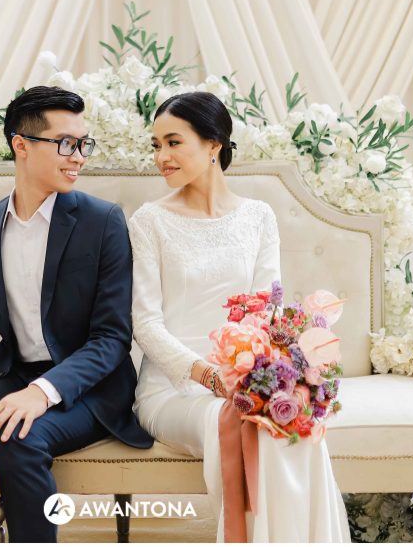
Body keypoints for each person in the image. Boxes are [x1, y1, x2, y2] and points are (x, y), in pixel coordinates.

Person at [0, 86, 153, 543]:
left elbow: (112, 338)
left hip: (89, 388)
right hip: (13, 372)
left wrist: (42, 392)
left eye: (83, 144)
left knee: (16, 435)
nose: (78, 157)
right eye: (66, 144)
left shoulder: (103, 222)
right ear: (22, 145)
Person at [128, 91, 351, 542]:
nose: (161, 157)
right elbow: (145, 325)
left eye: (173, 142)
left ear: (213, 144)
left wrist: (275, 378)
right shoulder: (149, 221)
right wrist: (211, 377)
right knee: (237, 421)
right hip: (173, 388)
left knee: (293, 420)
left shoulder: (257, 217)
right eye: (156, 145)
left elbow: (269, 312)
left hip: (244, 378)